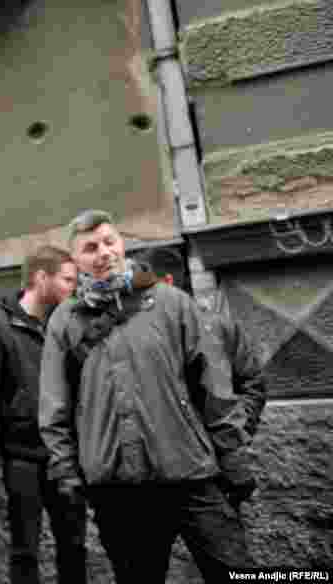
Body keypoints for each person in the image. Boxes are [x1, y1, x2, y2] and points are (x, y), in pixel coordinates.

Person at [39, 210, 253, 583]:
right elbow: (55, 407)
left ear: (122, 244)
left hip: (189, 472)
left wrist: (232, 454)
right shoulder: (65, 321)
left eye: (109, 241)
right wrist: (67, 474)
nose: (103, 253)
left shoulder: (172, 304)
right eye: (90, 248)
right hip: (117, 488)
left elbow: (214, 385)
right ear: (75, 261)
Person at [0, 247, 85, 584]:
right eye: (67, 280)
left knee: (75, 544)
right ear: (40, 278)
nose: (72, 288)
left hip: (64, 454)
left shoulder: (65, 322)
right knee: (25, 549)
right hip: (21, 458)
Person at [134, 247, 267, 509]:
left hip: (212, 471)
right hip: (157, 472)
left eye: (144, 288)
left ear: (167, 283)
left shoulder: (217, 327)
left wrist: (232, 439)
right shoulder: (135, 333)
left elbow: (253, 384)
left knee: (224, 546)